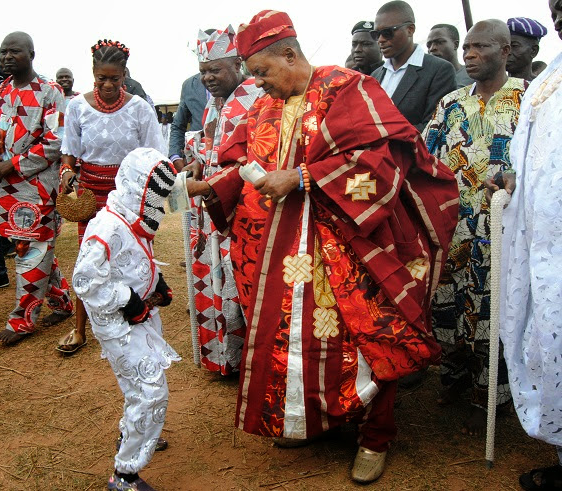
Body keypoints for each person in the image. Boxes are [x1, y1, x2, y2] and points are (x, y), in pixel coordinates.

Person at [187, 9, 459, 484]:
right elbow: (244, 162)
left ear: (289, 54)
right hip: (279, 253)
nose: (258, 84)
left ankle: (375, 436)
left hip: (345, 245)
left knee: (364, 336)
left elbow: (384, 157)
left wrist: (302, 176)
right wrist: (210, 186)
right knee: (291, 338)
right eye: (252, 75)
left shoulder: (347, 87)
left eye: (262, 72)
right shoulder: (264, 107)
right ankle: (311, 418)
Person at [423, 19, 528, 436]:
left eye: (479, 47)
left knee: (495, 310)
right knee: (448, 305)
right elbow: (424, 155)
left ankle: (493, 395)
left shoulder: (528, 98)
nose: (468, 54)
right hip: (454, 229)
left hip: (506, 231)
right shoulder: (450, 103)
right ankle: (455, 378)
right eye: (465, 48)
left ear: (505, 51)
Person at [486, 2, 562, 488]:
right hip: (540, 244)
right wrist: (513, 180)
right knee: (548, 339)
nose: (560, 13)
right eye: (556, 4)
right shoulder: (547, 79)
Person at [73, 147, 180, 491]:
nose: (158, 202)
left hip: (141, 315)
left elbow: (133, 261)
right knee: (151, 391)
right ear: (138, 188)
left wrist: (156, 284)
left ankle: (135, 431)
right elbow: (84, 280)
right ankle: (124, 474)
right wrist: (129, 301)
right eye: (155, 193)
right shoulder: (107, 227)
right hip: (120, 321)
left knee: (139, 384)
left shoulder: (129, 218)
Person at [56, 39, 165, 354]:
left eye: (114, 78)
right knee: (88, 258)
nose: (107, 84)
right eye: (101, 78)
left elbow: (153, 155)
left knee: (131, 256)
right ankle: (79, 329)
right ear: (92, 73)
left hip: (127, 195)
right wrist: (66, 173)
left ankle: (136, 319)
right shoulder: (76, 106)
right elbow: (70, 152)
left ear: (124, 74)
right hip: (90, 194)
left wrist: (150, 197)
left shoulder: (139, 108)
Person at [184, 26, 261, 375]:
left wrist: (212, 185)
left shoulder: (256, 97)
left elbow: (254, 158)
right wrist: (197, 165)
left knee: (241, 286)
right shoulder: (213, 104)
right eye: (203, 71)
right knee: (215, 282)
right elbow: (208, 147)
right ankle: (225, 360)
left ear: (237, 63)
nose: (207, 78)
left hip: (240, 210)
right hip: (210, 210)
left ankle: (249, 363)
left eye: (215, 69)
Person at [0, 32, 73, 345]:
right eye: (3, 52)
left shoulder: (50, 92)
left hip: (37, 187)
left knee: (31, 249)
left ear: (32, 54)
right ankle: (63, 302)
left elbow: (56, 141)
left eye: (15, 51)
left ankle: (22, 320)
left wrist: (13, 163)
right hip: (6, 188)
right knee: (35, 248)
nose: (8, 57)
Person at [371, 1, 457, 131]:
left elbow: (434, 127)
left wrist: (381, 136)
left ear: (410, 30)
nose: (381, 40)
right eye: (376, 34)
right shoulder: (375, 76)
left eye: (387, 32)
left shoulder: (439, 70)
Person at [169, 29, 216, 172]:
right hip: (197, 164)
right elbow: (178, 125)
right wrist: (175, 156)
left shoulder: (239, 85)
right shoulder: (189, 86)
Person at [426, 23, 474, 88]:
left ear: (455, 45)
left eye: (439, 42)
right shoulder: (425, 80)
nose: (432, 48)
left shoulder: (473, 75)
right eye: (429, 45)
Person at [506, 17, 548, 81]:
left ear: (534, 51)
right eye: (504, 46)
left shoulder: (544, 87)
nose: (507, 52)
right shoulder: (491, 87)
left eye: (514, 46)